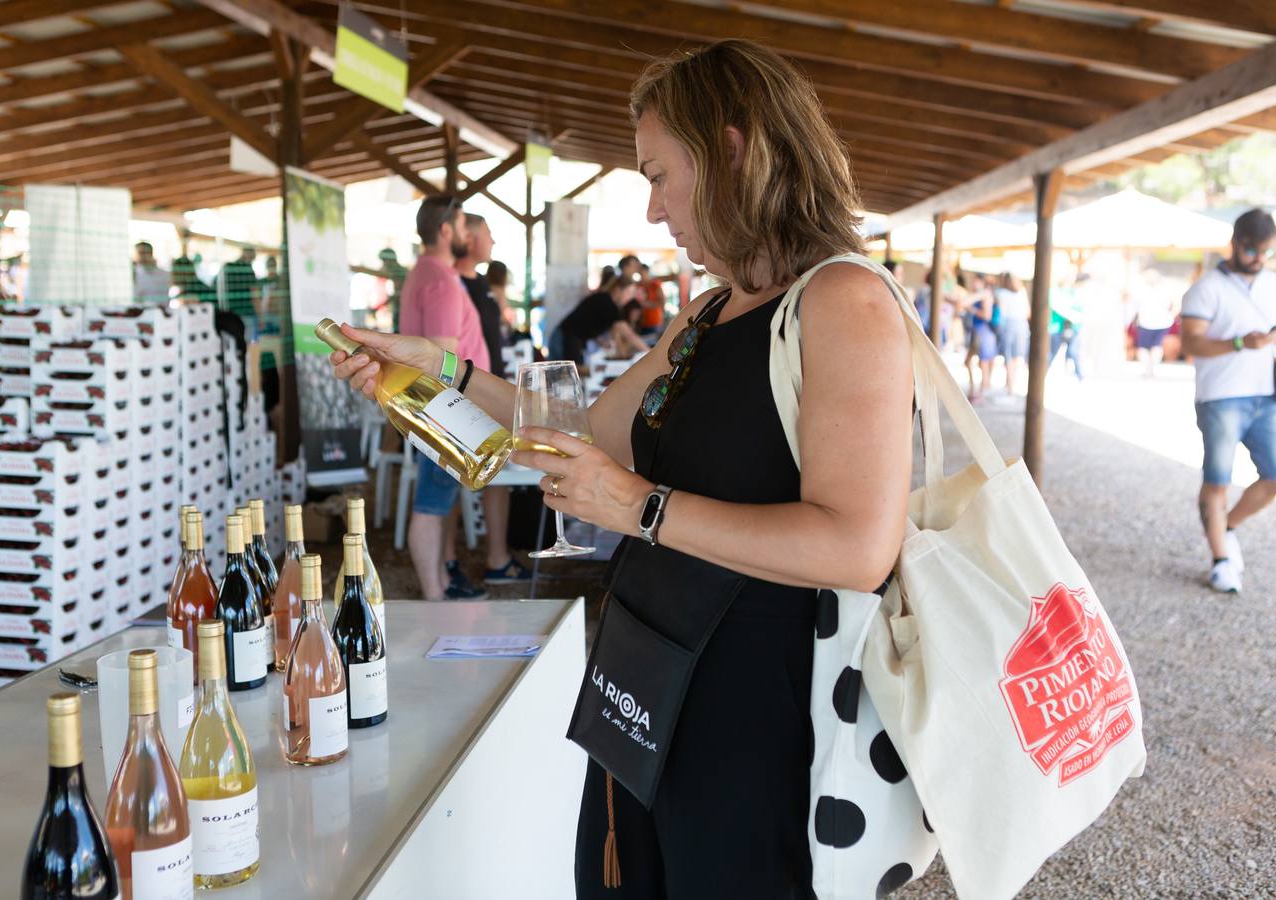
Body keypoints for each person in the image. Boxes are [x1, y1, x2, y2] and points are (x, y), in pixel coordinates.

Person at [326, 39, 916, 896]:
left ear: (732, 149)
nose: (651, 211)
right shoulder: (708, 312)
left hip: (753, 710)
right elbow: (575, 437)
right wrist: (434, 372)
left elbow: (857, 546)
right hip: (645, 680)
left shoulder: (843, 301)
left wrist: (639, 508)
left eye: (657, 174)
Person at [1180, 209, 1276, 594]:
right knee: (1217, 479)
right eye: (1252, 249)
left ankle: (1228, 527)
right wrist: (1238, 343)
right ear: (1234, 243)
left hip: (1266, 393)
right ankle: (1220, 559)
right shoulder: (1206, 288)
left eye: (1266, 251)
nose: (1258, 258)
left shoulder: (1271, 282)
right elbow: (1190, 342)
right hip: (1220, 396)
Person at [400, 195, 490, 602]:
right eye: (462, 225)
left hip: (438, 405)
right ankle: (435, 595)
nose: (468, 234)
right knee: (432, 503)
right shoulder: (438, 279)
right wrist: (458, 413)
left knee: (438, 500)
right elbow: (441, 360)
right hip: (445, 406)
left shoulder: (428, 272)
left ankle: (439, 585)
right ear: (445, 230)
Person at [453, 213, 532, 586]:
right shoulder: (453, 283)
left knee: (501, 470)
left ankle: (498, 556)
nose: (494, 242)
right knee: (461, 478)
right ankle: (466, 561)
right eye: (488, 233)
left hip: (489, 386)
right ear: (468, 237)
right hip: (465, 392)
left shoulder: (480, 282)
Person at [550, 276, 649, 365]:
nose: (630, 298)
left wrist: (600, 341)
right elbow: (629, 334)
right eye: (629, 293)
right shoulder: (606, 302)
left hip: (570, 337)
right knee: (568, 373)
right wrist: (650, 353)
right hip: (564, 337)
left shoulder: (605, 300)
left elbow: (589, 322)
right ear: (618, 290)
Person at [1134, 272, 1178, 378]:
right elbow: (1172, 305)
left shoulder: (1142, 291)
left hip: (1147, 322)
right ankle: (1152, 370)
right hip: (1161, 322)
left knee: (1145, 348)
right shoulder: (1164, 291)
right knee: (1156, 347)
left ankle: (1149, 370)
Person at [993, 272, 1030, 394]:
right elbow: (1028, 311)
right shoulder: (1022, 291)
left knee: (1008, 355)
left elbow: (1002, 312)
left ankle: (1009, 385)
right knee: (1016, 356)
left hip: (1008, 324)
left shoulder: (1000, 293)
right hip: (1022, 324)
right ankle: (1011, 383)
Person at [964, 275, 997, 402]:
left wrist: (971, 309)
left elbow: (987, 315)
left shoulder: (985, 294)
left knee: (983, 362)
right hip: (978, 331)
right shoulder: (980, 294)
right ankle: (974, 390)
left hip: (983, 331)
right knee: (971, 361)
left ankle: (980, 392)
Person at [620, 254, 665, 334]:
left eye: (643, 272)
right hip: (641, 322)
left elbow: (662, 302)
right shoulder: (637, 285)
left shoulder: (655, 284)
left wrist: (645, 304)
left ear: (647, 271)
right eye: (640, 273)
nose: (641, 275)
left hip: (654, 321)